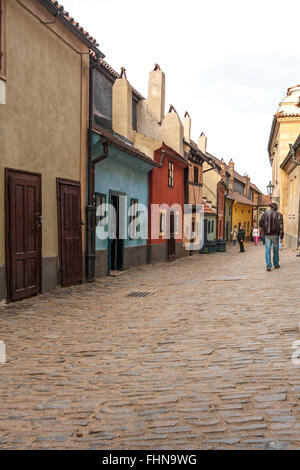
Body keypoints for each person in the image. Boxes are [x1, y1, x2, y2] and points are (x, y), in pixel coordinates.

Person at [259, 202, 284, 272]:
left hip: (267, 235)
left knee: (267, 250)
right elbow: (281, 226)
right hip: (275, 235)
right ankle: (276, 264)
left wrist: (263, 230)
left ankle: (268, 265)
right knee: (276, 250)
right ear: (276, 208)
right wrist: (281, 236)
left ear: (270, 207)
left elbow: (260, 223)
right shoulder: (279, 215)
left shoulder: (265, 214)